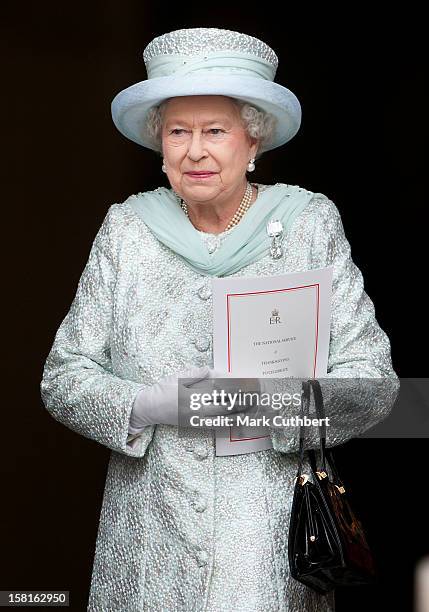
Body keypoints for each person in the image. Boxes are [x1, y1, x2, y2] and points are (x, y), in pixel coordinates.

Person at [40, 27, 399, 612]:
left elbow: (375, 385)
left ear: (253, 142)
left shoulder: (309, 224)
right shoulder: (126, 231)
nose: (194, 151)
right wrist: (146, 404)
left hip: (261, 541)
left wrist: (274, 401)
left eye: (215, 131)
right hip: (148, 536)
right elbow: (63, 378)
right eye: (178, 132)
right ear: (160, 146)